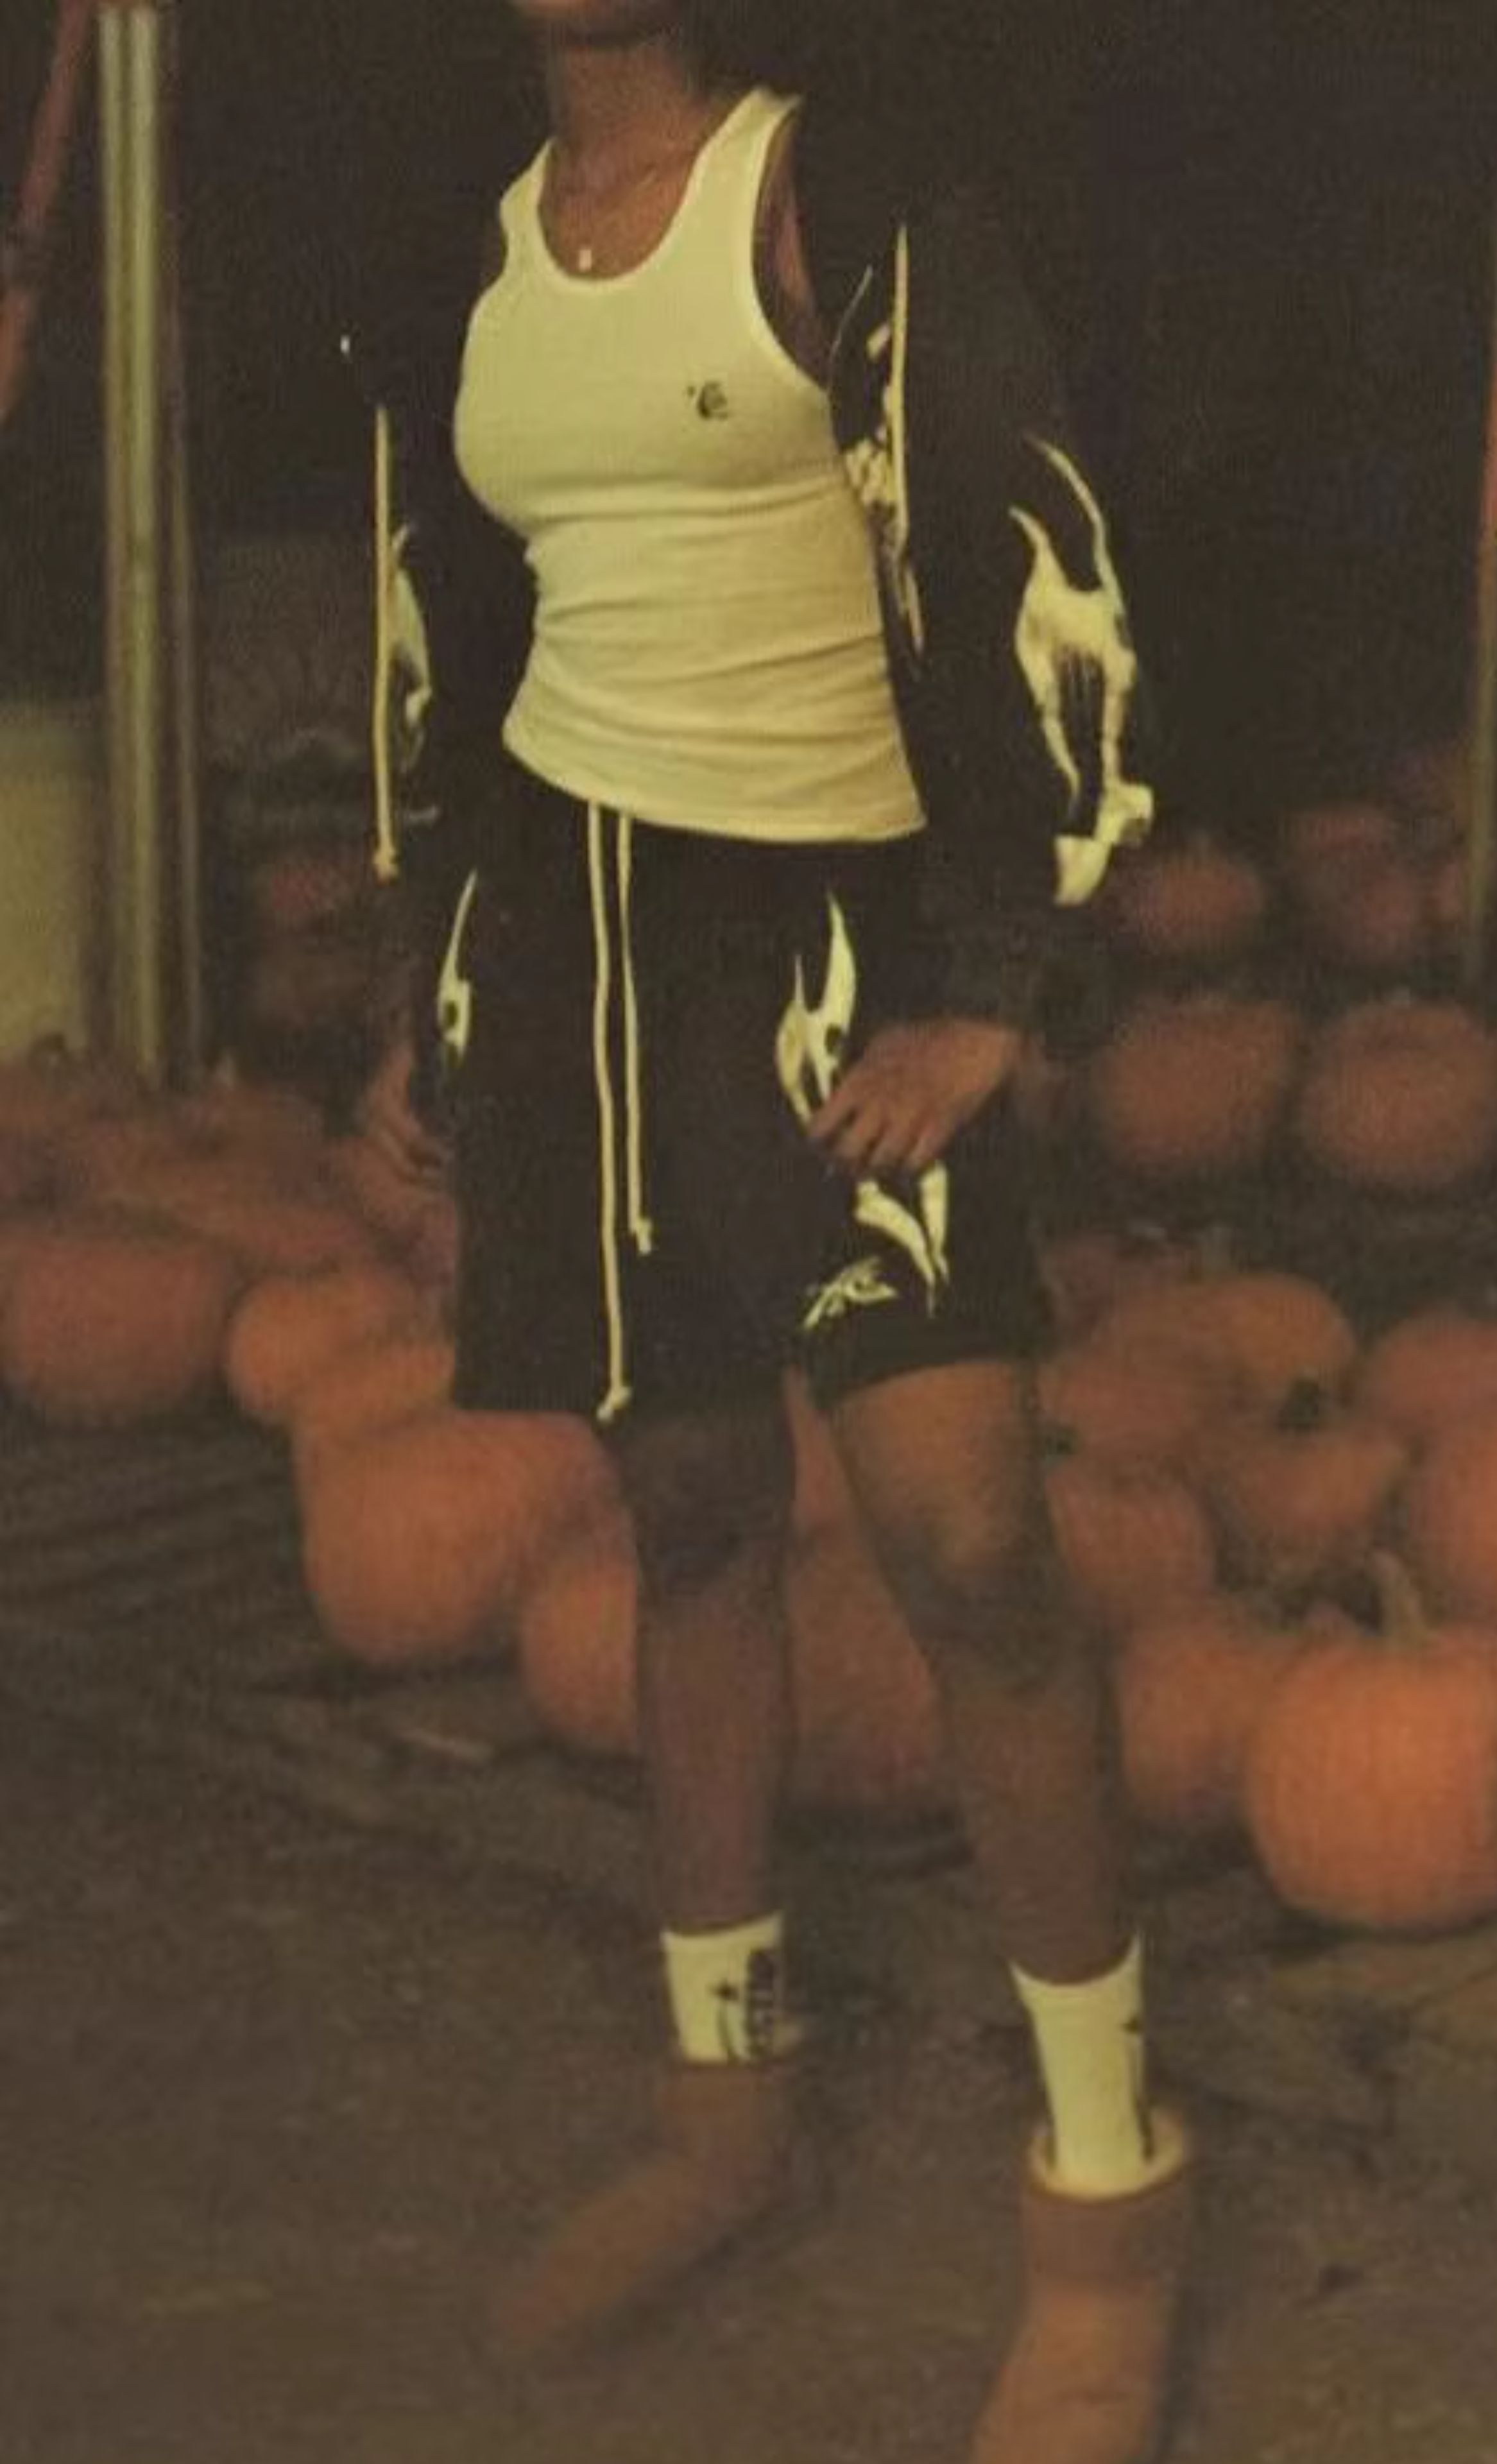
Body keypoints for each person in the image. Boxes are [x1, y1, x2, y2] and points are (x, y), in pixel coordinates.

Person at [347, 4, 1190, 2458]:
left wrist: (995, 986)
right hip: (575, 952)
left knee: (974, 1547)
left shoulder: (834, 202)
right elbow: (442, 634)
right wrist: (427, 992)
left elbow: (1038, 559)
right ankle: (726, 2116)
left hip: (827, 945)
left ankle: (1109, 2204)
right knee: (695, 1516)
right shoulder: (481, 255)